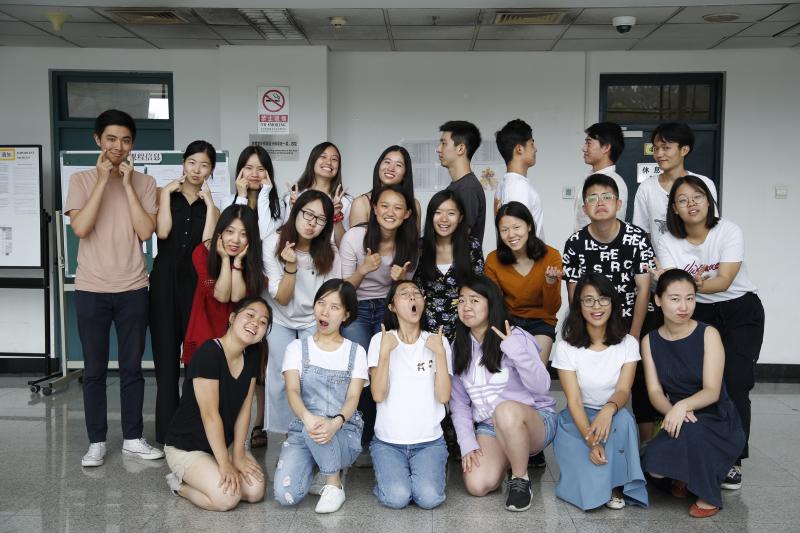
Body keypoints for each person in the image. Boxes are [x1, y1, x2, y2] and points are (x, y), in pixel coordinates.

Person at [65, 109, 163, 467]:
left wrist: (125, 184)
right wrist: (104, 182)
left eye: (124, 140)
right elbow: (81, 228)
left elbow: (144, 231)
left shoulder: (145, 183)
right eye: (111, 139)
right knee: (93, 370)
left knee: (132, 368)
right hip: (91, 288)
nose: (118, 147)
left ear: (132, 144)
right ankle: (96, 441)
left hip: (134, 288)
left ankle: (133, 438)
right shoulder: (80, 180)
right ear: (97, 140)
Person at [654, 175, 764, 490]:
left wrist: (693, 283)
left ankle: (733, 460)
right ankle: (698, 449)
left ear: (709, 201)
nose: (691, 204)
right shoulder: (668, 240)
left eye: (697, 197)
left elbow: (725, 280)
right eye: (683, 199)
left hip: (740, 309)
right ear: (674, 208)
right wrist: (690, 287)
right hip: (697, 311)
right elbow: (674, 285)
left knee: (735, 381)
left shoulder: (728, 230)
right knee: (699, 383)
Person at [641, 269, 745, 518]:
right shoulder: (650, 340)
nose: (684, 306)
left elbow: (712, 391)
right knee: (653, 467)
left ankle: (707, 495)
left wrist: (681, 406)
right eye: (675, 299)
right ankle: (686, 475)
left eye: (690, 298)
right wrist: (674, 412)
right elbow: (655, 391)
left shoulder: (708, 334)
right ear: (658, 300)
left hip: (715, 415)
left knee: (696, 433)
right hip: (680, 418)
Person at [449, 275, 556, 512]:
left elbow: (542, 386)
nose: (466, 307)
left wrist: (514, 350)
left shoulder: (515, 335)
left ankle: (520, 479)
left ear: (491, 303)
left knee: (505, 409)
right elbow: (458, 404)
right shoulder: (459, 347)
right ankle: (509, 455)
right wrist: (467, 443)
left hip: (534, 419)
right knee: (477, 485)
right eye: (462, 300)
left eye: (474, 300)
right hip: (490, 426)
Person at [563, 174, 655, 440]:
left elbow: (644, 289)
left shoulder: (636, 238)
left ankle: (645, 443)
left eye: (606, 197)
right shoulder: (575, 244)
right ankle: (588, 428)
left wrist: (633, 336)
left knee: (639, 379)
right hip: (592, 321)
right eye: (592, 198)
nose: (599, 202)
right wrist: (586, 331)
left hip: (632, 319)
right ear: (584, 208)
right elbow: (574, 295)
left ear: (618, 203)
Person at [163, 296, 270, 511]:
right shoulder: (209, 354)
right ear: (232, 318)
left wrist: (238, 454)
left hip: (224, 442)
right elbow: (210, 415)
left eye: (263, 322)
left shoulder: (252, 353)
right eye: (250, 315)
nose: (255, 324)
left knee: (255, 492)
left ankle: (216, 467)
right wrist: (225, 463)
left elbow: (245, 408)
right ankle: (178, 485)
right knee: (227, 499)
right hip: (188, 446)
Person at [552, 274, 647, 511]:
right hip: (577, 420)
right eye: (588, 300)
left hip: (613, 416)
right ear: (579, 306)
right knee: (589, 487)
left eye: (603, 299)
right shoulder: (566, 346)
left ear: (613, 302)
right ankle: (598, 481)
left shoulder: (627, 343)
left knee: (624, 420)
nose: (597, 307)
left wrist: (609, 409)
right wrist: (590, 441)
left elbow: (624, 389)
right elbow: (573, 400)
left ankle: (616, 487)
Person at [274, 279, 368, 514]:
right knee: (286, 495)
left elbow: (353, 397)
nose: (325, 312)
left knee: (317, 426)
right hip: (306, 428)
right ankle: (321, 468)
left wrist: (335, 423)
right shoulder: (296, 348)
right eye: (321, 303)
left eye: (334, 307)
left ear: (346, 315)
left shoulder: (356, 352)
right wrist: (308, 418)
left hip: (342, 431)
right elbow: (293, 391)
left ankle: (334, 484)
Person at [150, 140, 219, 444]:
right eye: (192, 162)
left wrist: (212, 206)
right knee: (166, 362)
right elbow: (162, 232)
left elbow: (207, 246)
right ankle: (166, 434)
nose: (197, 169)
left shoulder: (212, 205)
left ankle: (191, 430)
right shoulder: (167, 197)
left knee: (195, 361)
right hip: (164, 286)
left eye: (204, 165)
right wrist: (165, 193)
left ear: (211, 170)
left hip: (195, 291)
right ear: (183, 163)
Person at [340, 184, 419, 447]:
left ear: (407, 214)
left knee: (384, 366)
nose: (390, 212)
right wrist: (363, 270)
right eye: (384, 206)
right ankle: (360, 437)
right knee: (360, 370)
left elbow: (407, 292)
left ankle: (385, 434)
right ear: (374, 209)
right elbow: (344, 290)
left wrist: (402, 279)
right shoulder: (354, 238)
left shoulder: (409, 244)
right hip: (357, 307)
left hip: (387, 308)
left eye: (398, 208)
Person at [368, 280, 453, 509]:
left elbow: (444, 397)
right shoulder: (380, 341)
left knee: (429, 499)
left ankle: (426, 473)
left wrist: (441, 355)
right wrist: (385, 354)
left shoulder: (438, 341)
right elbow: (378, 394)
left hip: (429, 442)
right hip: (388, 442)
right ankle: (395, 478)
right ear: (392, 307)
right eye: (404, 294)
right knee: (397, 498)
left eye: (417, 293)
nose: (413, 297)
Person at [263, 190, 341, 435]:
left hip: (313, 318)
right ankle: (283, 434)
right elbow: (283, 298)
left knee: (313, 374)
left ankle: (314, 430)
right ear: (295, 212)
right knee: (279, 374)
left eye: (320, 219)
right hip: (280, 315)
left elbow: (330, 294)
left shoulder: (329, 251)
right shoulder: (273, 243)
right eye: (308, 214)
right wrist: (291, 265)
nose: (311, 223)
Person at [182, 204, 264, 365]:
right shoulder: (202, 252)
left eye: (244, 234)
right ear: (220, 232)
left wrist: (238, 261)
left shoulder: (252, 259)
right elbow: (222, 295)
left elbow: (237, 298)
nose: (235, 240)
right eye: (230, 232)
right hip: (204, 331)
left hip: (237, 337)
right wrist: (225, 259)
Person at [485, 201, 562, 367]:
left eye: (516, 227)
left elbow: (551, 309)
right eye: (504, 230)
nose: (511, 234)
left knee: (536, 370)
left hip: (541, 321)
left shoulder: (551, 256)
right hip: (509, 320)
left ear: (528, 226)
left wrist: (550, 283)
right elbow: (495, 304)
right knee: (509, 371)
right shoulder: (493, 260)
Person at [632, 122, 718, 253]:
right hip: (663, 269)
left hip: (699, 267)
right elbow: (642, 234)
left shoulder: (704, 183)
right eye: (655, 149)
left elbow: (712, 227)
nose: (659, 154)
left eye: (666, 148)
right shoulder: (646, 188)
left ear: (684, 150)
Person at [414, 190, 484, 342]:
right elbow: (416, 290)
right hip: (426, 327)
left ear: (460, 218)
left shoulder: (471, 246)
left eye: (451, 213)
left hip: (464, 325)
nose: (444, 219)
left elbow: (479, 286)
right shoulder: (420, 247)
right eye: (438, 212)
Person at [284, 142, 350, 245]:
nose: (328, 162)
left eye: (334, 159)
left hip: (329, 259)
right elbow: (284, 237)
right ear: (313, 161)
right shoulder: (294, 196)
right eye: (323, 156)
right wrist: (294, 210)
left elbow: (346, 247)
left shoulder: (345, 202)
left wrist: (336, 216)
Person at [349, 145, 422, 230]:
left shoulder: (414, 205)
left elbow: (414, 241)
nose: (391, 168)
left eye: (398, 165)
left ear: (405, 174)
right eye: (387, 162)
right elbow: (356, 241)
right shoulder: (361, 203)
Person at [493, 119, 544, 240]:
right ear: (519, 149)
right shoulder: (518, 188)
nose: (535, 149)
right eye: (532, 144)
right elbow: (518, 239)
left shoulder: (503, 185)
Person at [437, 120, 486, 245]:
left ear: (460, 148)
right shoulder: (459, 186)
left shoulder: (467, 189)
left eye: (443, 143)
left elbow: (459, 239)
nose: (438, 149)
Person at [574, 122, 628, 230]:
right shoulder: (587, 178)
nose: (584, 148)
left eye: (589, 143)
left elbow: (611, 230)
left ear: (606, 147)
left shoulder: (615, 183)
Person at [231, 145, 282, 239]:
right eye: (249, 168)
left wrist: (265, 193)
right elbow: (237, 235)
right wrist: (241, 197)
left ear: (268, 173)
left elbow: (263, 233)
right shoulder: (227, 201)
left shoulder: (279, 205)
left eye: (261, 169)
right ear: (240, 170)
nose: (255, 174)